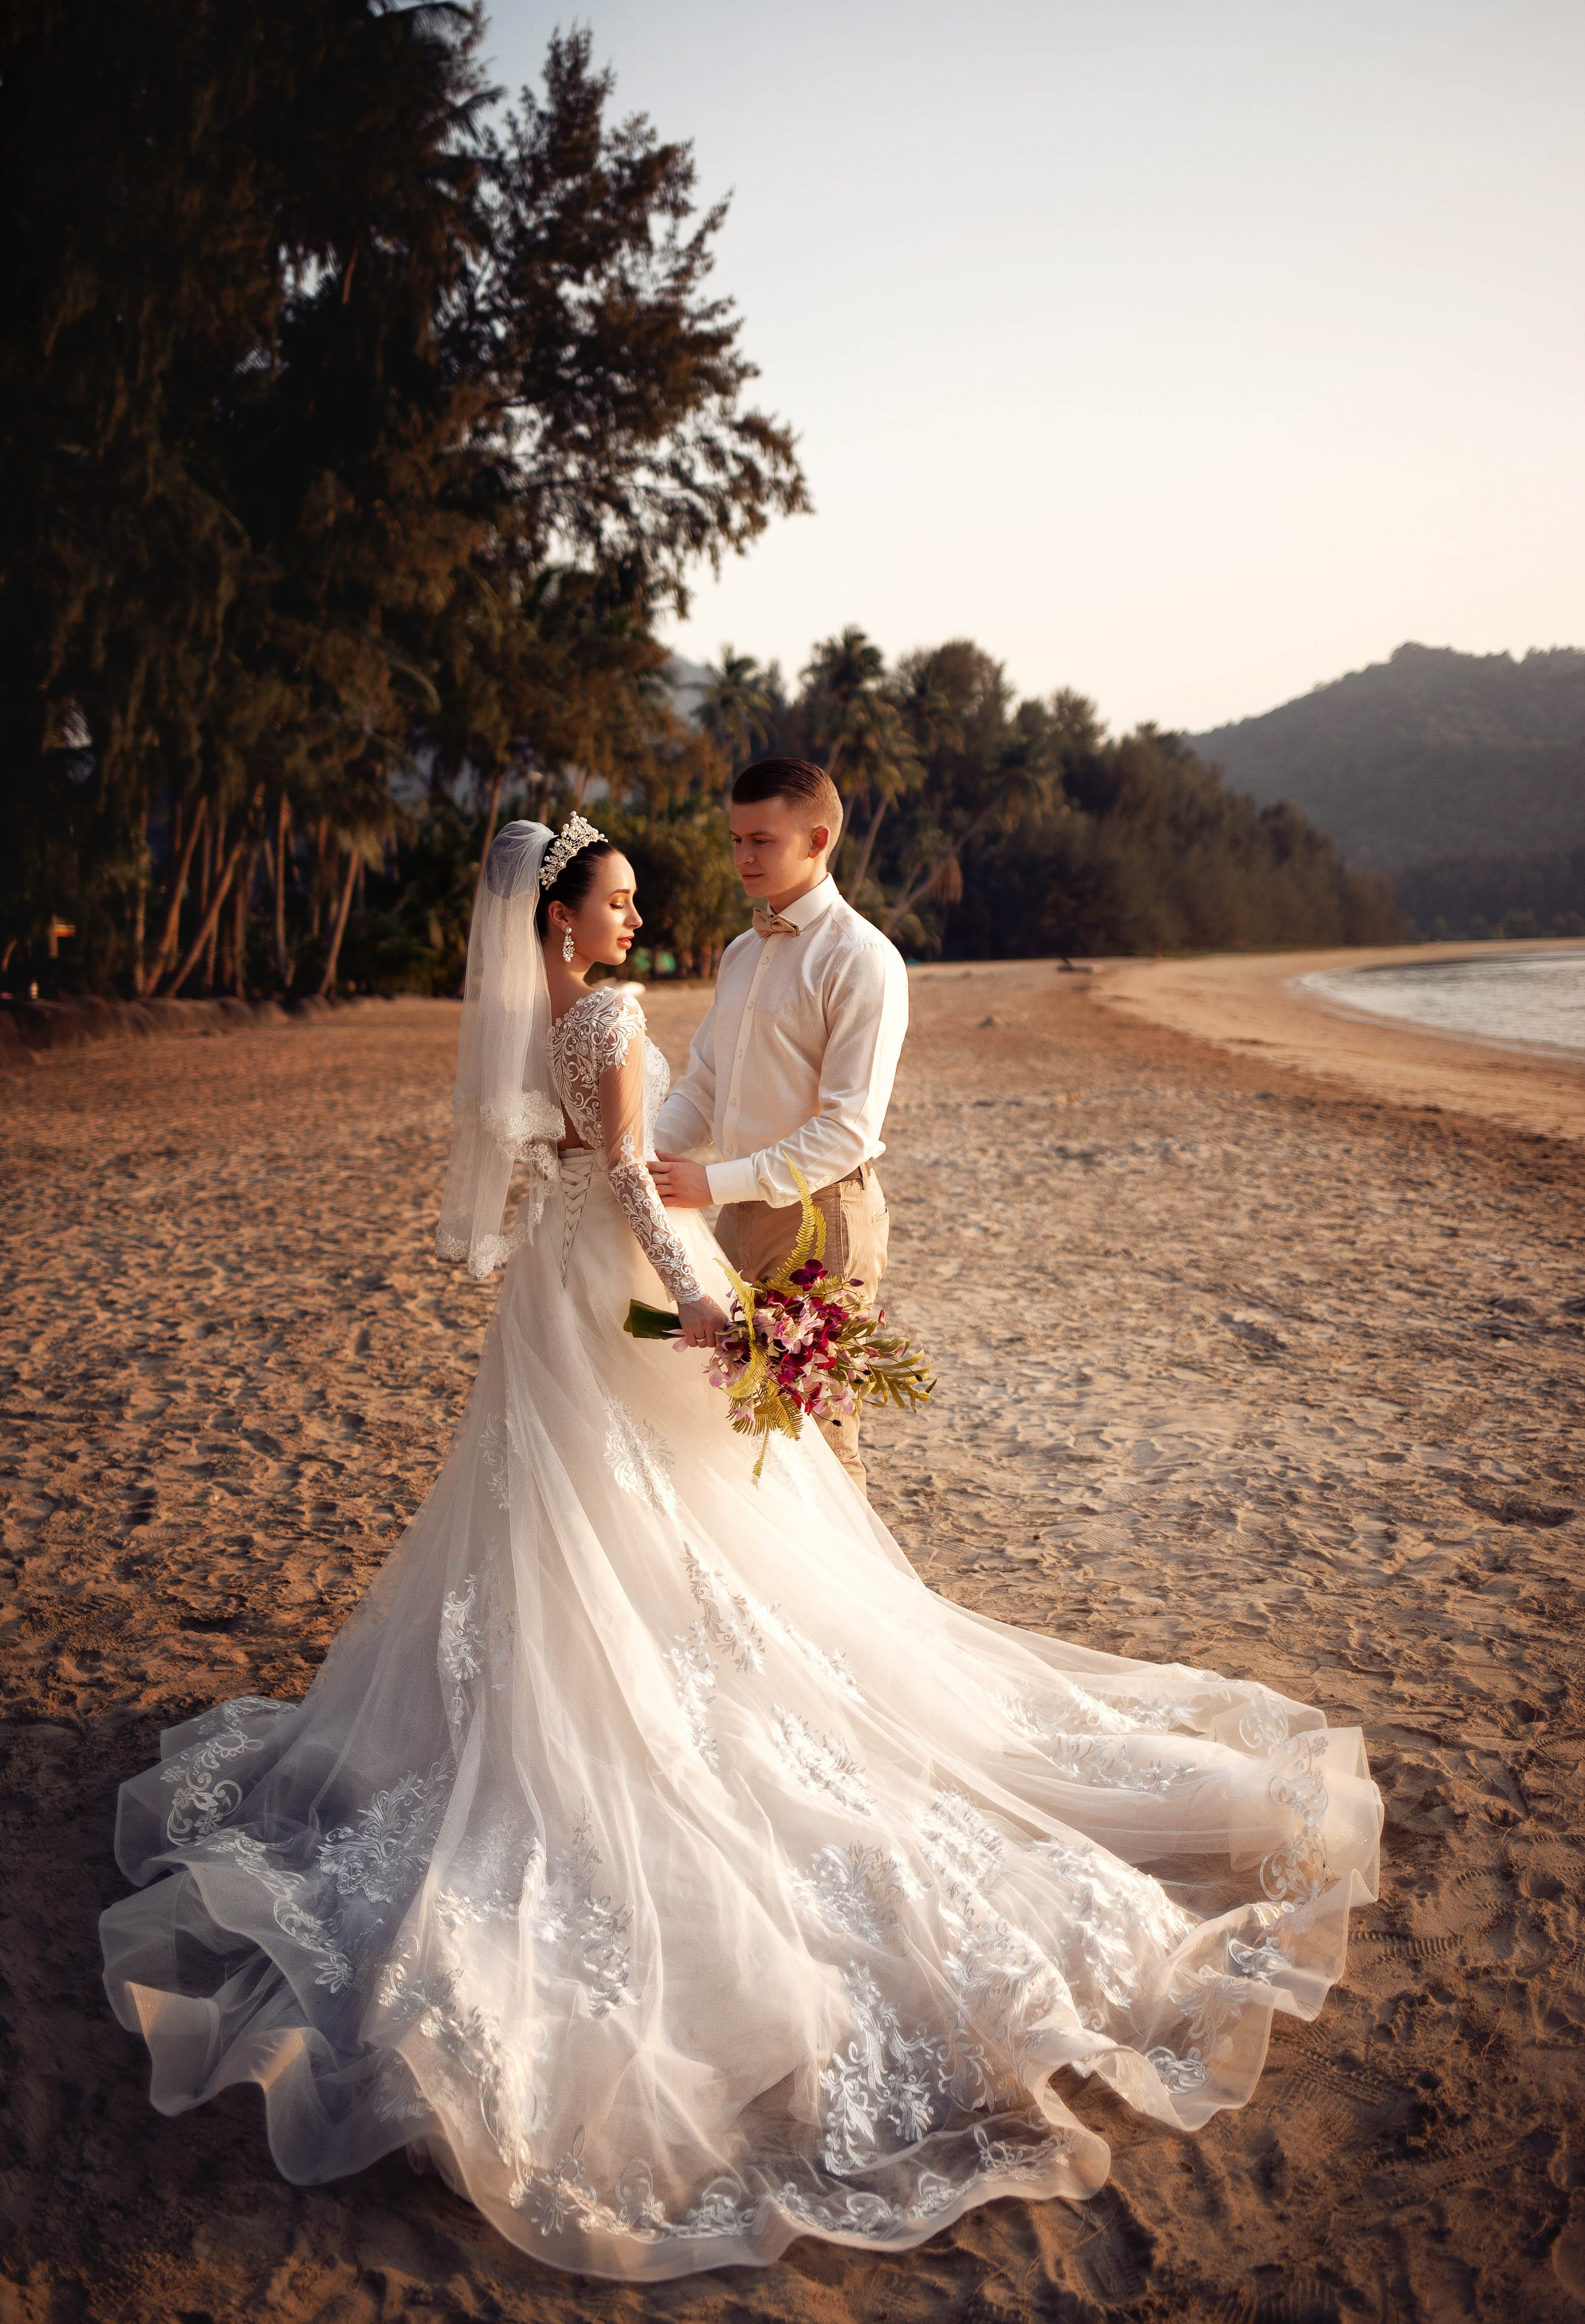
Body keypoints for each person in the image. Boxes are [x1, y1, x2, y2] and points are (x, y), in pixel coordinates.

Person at [99, 817, 1383, 2284]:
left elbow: (588, 1164)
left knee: (582, 1518)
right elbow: (643, 1183)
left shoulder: (545, 1024)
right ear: (565, 919)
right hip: (627, 1286)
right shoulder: (610, 1020)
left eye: (642, 899)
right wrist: (705, 1310)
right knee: (688, 1514)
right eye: (618, 899)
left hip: (552, 1298)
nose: (637, 917)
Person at [649, 758, 908, 1496]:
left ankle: (852, 1614)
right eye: (735, 840)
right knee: (735, 1428)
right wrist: (650, 1153)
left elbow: (848, 1128)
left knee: (821, 1441)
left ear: (817, 838)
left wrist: (709, 1180)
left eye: (760, 840)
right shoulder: (740, 952)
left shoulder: (863, 959)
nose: (742, 859)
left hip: (823, 1219)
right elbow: (704, 1081)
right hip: (733, 1218)